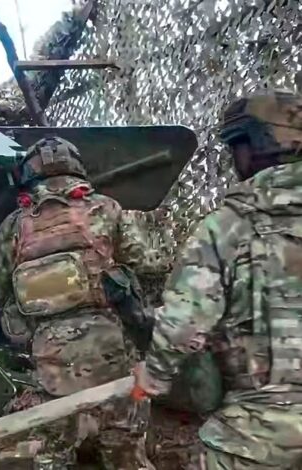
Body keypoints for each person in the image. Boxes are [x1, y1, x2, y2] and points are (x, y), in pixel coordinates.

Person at [134, 89, 302, 470]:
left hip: (258, 436)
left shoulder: (228, 227)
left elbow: (181, 326)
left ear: (256, 144)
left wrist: (152, 377)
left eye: (235, 147)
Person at [0, 136, 164, 469]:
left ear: (28, 174)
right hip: (110, 346)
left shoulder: (14, 225)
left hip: (51, 355)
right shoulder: (105, 208)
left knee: (54, 448)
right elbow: (147, 264)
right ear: (77, 167)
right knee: (124, 445)